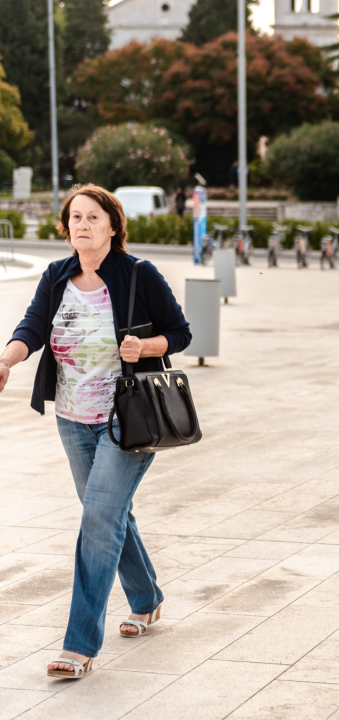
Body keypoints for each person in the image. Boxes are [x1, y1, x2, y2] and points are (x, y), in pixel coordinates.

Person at [0, 184, 191, 679]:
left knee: (98, 522)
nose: (82, 225)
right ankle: (146, 598)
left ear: (112, 225)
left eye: (92, 217)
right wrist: (7, 358)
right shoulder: (57, 275)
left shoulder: (137, 275)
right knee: (107, 515)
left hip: (127, 421)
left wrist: (147, 349)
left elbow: (181, 331)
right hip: (72, 418)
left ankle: (79, 644)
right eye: (74, 217)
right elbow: (33, 327)